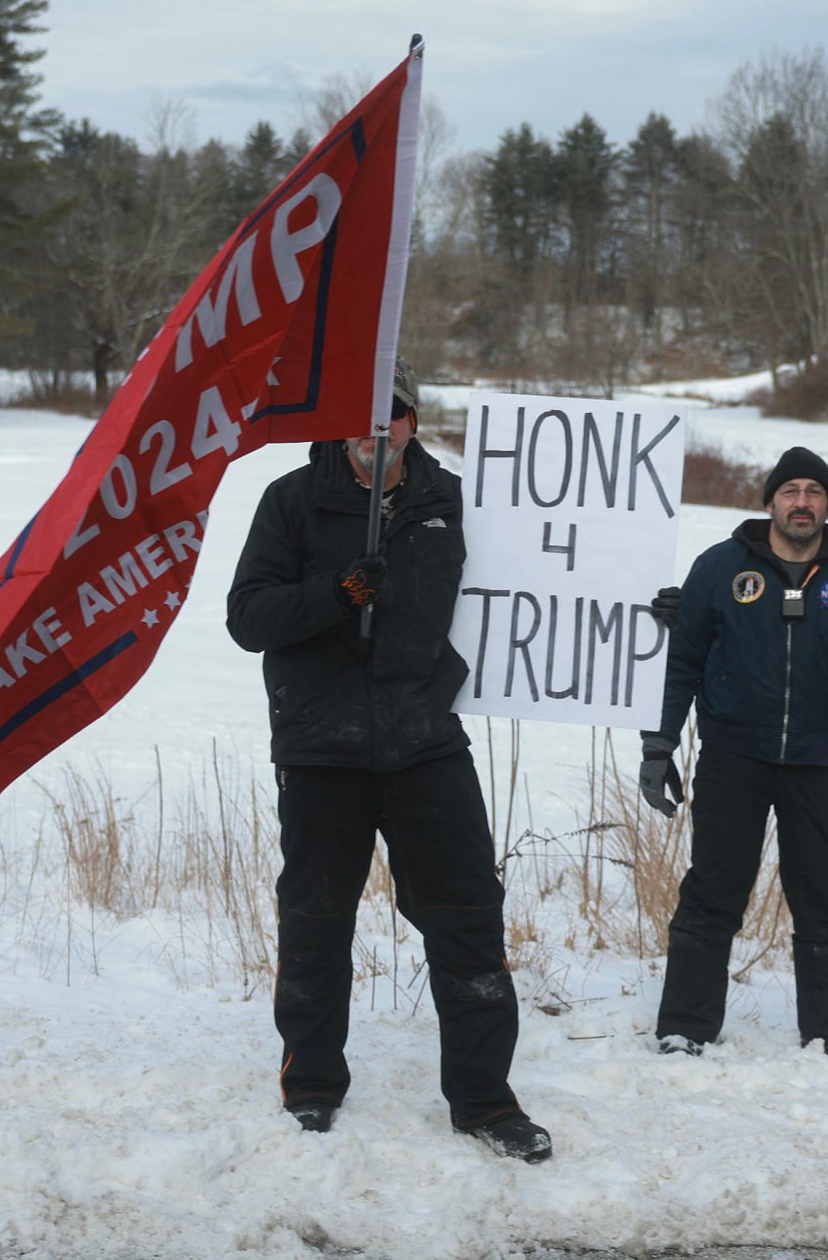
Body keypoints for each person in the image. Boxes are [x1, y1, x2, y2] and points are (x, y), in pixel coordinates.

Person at [223, 359, 553, 1162]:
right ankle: (311, 1085)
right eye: (363, 412)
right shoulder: (292, 501)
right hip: (322, 745)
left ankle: (483, 1101)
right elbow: (248, 616)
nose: (379, 429)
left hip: (425, 741)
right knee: (317, 919)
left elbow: (549, 576)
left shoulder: (453, 498)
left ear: (414, 418)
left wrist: (637, 606)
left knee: (470, 918)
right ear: (337, 419)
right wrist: (334, 593)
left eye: (396, 412)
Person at [640, 446, 828, 1059]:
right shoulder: (720, 567)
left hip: (825, 760)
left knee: (823, 895)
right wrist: (659, 744)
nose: (801, 502)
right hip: (735, 754)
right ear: (769, 502)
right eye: (790, 491)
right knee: (713, 890)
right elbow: (682, 660)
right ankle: (685, 1025)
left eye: (814, 492)